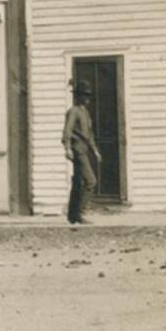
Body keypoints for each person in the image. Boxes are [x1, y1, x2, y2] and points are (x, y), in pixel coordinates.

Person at [61, 80, 101, 225]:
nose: (87, 98)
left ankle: (72, 216)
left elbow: (89, 135)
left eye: (88, 95)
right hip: (77, 149)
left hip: (84, 148)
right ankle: (80, 212)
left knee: (78, 182)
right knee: (91, 181)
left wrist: (95, 150)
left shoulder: (85, 113)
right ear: (77, 97)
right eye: (84, 96)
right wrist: (67, 148)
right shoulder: (73, 112)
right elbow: (67, 131)